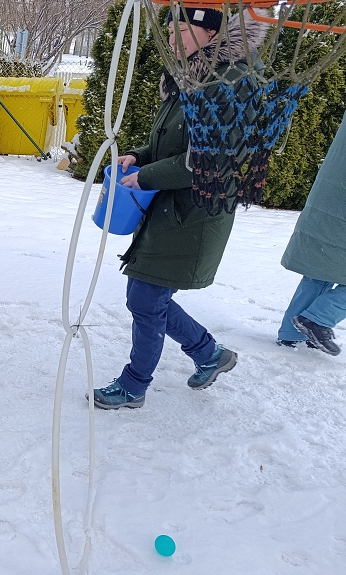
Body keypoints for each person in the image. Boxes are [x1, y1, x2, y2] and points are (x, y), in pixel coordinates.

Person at [93, 8, 267, 409]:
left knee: (145, 299)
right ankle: (209, 354)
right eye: (169, 28)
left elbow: (210, 160)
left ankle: (135, 386)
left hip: (195, 215)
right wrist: (138, 157)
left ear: (210, 33)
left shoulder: (231, 82)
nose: (171, 35)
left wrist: (148, 176)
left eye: (180, 29)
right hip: (171, 209)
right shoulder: (189, 74)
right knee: (145, 296)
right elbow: (172, 143)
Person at [276, 110, 346, 356]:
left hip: (330, 200)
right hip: (341, 207)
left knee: (320, 271)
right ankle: (317, 320)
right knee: (324, 270)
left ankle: (291, 333)